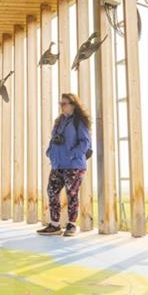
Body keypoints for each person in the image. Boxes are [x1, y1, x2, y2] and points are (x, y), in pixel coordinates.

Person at [38, 93, 92, 237]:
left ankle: (71, 225)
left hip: (74, 165)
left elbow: (85, 142)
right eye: (60, 103)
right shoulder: (59, 121)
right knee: (52, 191)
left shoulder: (79, 121)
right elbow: (54, 139)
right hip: (58, 165)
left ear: (73, 105)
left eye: (64, 103)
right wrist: (50, 151)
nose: (62, 106)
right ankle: (55, 225)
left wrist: (72, 154)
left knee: (72, 194)